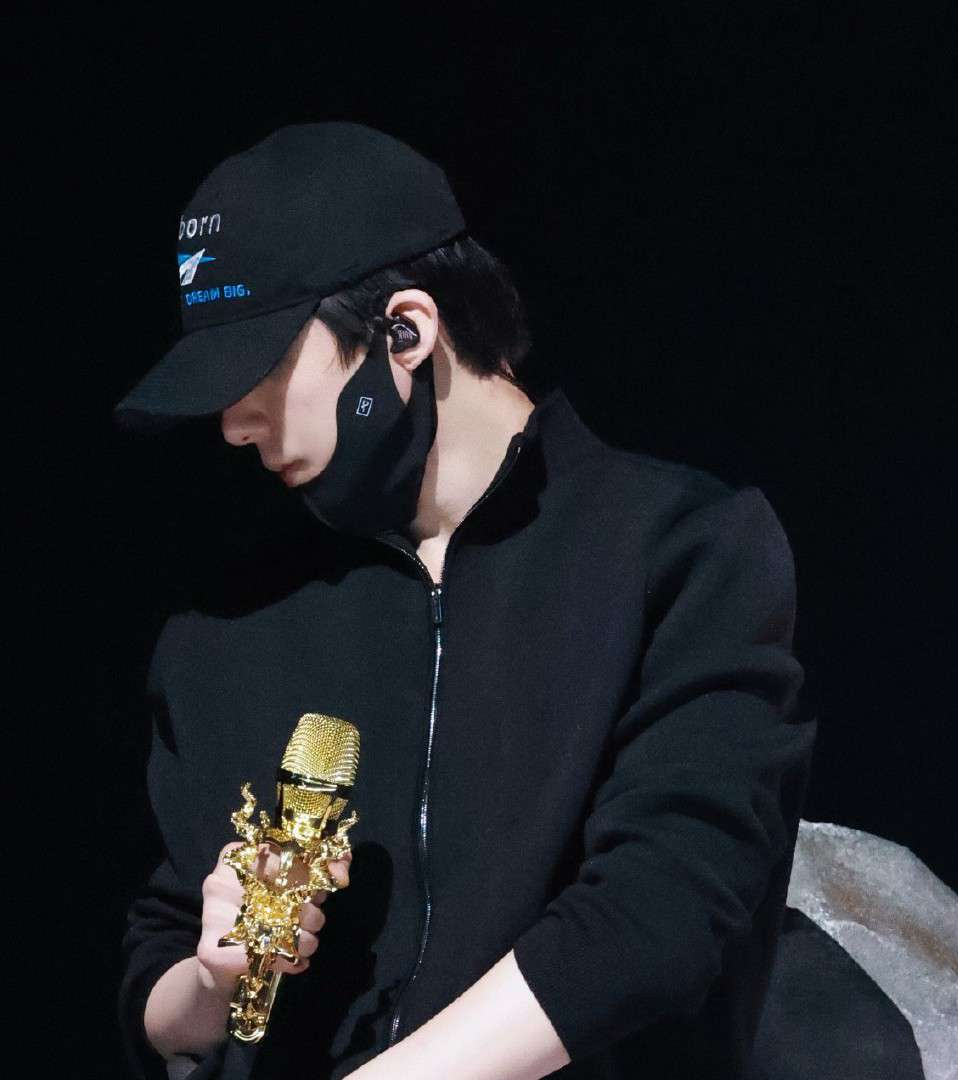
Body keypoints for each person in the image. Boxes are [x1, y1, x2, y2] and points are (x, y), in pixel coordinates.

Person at [113, 121, 817, 1080]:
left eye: (261, 369)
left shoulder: (682, 549)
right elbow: (155, 979)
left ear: (404, 331)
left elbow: (660, 914)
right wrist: (213, 976)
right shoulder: (224, 625)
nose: (234, 424)